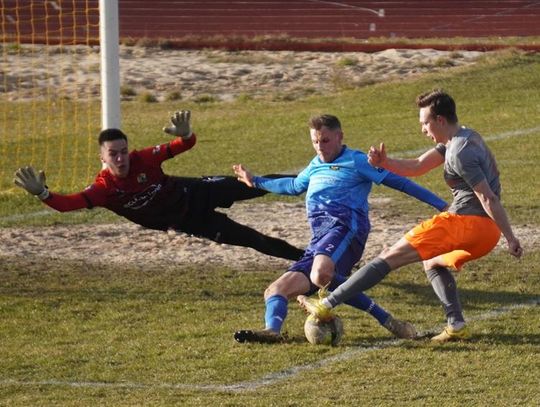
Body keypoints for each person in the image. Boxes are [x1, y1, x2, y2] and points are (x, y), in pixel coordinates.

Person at [298, 90, 523, 342]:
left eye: (425, 123)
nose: (423, 130)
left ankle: (327, 303)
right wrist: (384, 162)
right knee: (433, 262)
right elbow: (417, 166)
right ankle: (456, 324)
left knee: (388, 257)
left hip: (467, 224)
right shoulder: (463, 137)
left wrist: (511, 237)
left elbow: (488, 198)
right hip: (485, 232)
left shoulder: (459, 151)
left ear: (439, 120)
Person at [232, 113, 448, 343]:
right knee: (275, 290)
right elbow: (294, 185)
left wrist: (442, 205)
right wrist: (255, 181)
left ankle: (379, 317)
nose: (319, 147)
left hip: (346, 228)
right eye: (315, 141)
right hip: (319, 239)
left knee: (320, 274)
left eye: (325, 140)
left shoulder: (356, 160)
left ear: (339, 137)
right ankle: (272, 331)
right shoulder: (315, 165)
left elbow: (401, 183)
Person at [13, 110, 304, 261]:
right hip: (192, 221)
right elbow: (66, 205)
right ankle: (312, 264)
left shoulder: (143, 159)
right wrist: (42, 192)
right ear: (102, 157)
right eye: (113, 153)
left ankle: (314, 179)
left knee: (256, 183)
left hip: (197, 191)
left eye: (123, 151)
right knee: (255, 240)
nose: (121, 157)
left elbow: (184, 144)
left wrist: (186, 133)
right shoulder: (103, 190)